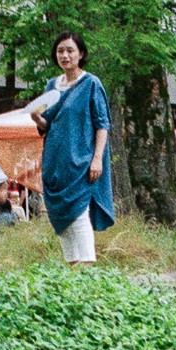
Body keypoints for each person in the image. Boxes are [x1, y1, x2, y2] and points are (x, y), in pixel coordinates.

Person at [29, 31, 114, 267]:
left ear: (81, 54)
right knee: (60, 217)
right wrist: (36, 118)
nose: (64, 55)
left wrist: (97, 158)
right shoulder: (51, 85)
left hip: (82, 161)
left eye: (69, 50)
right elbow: (49, 124)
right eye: (60, 51)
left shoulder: (91, 84)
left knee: (79, 214)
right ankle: (73, 267)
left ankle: (87, 265)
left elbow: (102, 124)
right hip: (56, 162)